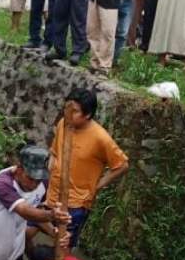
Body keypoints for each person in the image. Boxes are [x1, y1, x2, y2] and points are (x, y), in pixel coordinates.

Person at [44, 88, 129, 247]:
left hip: (76, 203)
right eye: (66, 109)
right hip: (53, 194)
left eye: (74, 111)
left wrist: (96, 186)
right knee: (30, 230)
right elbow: (55, 151)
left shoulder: (100, 138)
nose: (68, 114)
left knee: (62, 247)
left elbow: (122, 165)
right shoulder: (64, 123)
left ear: (87, 114)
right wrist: (52, 165)